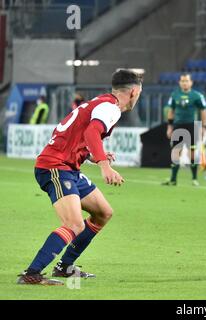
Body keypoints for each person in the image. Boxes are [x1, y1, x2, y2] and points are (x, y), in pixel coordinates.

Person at [17, 70, 143, 285]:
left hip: (69, 167)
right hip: (55, 167)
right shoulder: (111, 108)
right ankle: (32, 273)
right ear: (133, 91)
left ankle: (65, 267)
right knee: (75, 224)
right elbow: (92, 133)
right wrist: (104, 166)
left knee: (103, 213)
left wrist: (93, 156)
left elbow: (78, 135)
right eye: (139, 92)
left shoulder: (100, 103)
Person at [163, 73, 206, 186]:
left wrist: (203, 127)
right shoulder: (174, 95)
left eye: (186, 81)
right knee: (176, 152)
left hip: (191, 126)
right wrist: (169, 126)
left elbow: (203, 111)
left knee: (191, 153)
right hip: (178, 126)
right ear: (179, 82)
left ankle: (194, 179)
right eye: (182, 81)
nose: (184, 83)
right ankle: (173, 179)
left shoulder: (197, 96)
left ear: (191, 82)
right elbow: (171, 111)